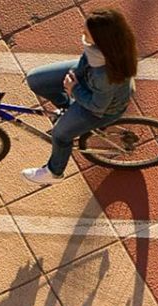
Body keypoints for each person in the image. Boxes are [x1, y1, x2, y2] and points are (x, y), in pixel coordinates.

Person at [21, 8, 138, 185]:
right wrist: (75, 74)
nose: (82, 33)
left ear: (101, 40)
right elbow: (85, 59)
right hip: (90, 83)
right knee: (36, 80)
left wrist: (73, 89)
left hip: (101, 108)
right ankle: (66, 107)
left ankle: (54, 172)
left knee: (60, 135)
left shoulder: (105, 76)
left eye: (86, 32)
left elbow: (97, 106)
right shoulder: (104, 49)